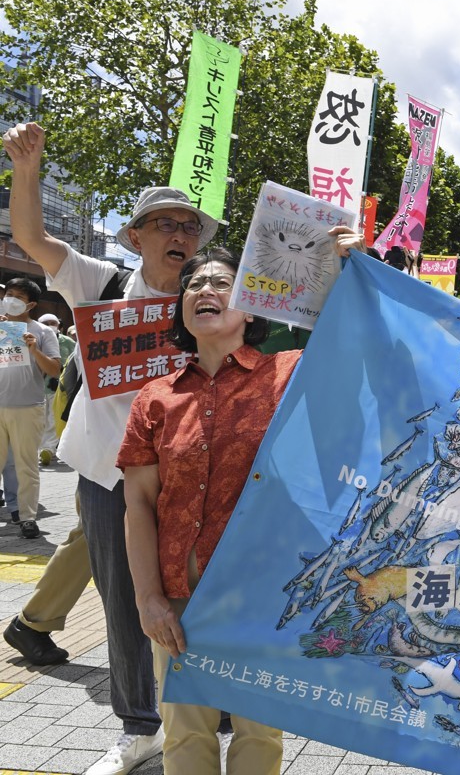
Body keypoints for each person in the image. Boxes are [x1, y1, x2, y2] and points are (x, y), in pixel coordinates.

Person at [2, 120, 219, 774]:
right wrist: (28, 169)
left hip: (189, 479)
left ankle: (212, 707)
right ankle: (139, 726)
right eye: (165, 224)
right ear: (136, 237)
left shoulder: (209, 297)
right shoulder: (101, 284)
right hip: (106, 476)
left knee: (199, 593)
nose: (179, 235)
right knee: (123, 601)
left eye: (189, 227)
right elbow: (32, 239)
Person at [118, 241, 351, 774]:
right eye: (194, 285)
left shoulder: (290, 375)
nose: (205, 290)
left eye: (222, 282)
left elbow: (354, 343)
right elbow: (138, 503)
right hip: (179, 598)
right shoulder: (156, 398)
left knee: (258, 737)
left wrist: (346, 267)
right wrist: (148, 599)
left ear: (251, 304)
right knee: (185, 737)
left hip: (262, 594)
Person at [0, 278, 61, 538]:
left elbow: (54, 369)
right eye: (8, 293)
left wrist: (34, 349)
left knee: (27, 466)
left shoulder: (43, 332)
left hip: (28, 407)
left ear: (31, 304)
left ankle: (27, 517)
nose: (10, 299)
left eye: (18, 296)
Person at [36, 311, 73, 465]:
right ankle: (38, 448)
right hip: (35, 388)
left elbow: (73, 362)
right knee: (38, 420)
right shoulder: (34, 339)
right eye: (46, 323)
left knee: (52, 418)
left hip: (58, 389)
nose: (50, 326)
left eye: (53, 323)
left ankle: (48, 449)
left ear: (59, 325)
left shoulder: (68, 343)